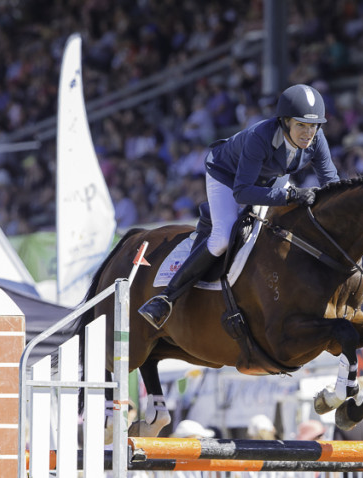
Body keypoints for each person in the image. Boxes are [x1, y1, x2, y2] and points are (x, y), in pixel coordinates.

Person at [138, 83, 341, 329]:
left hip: (270, 176)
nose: (308, 133)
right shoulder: (260, 137)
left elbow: (332, 184)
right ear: (285, 121)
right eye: (301, 125)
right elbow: (243, 192)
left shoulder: (316, 139)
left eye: (313, 126)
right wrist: (291, 195)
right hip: (227, 174)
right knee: (223, 236)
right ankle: (166, 298)